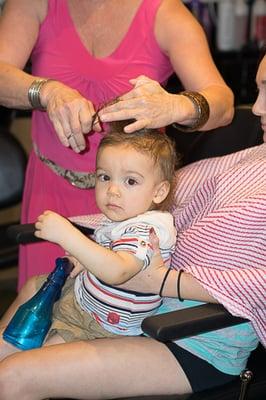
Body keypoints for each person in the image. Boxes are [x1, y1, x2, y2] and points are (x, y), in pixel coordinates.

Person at [0, 53, 265, 399]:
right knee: (36, 291)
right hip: (141, 302)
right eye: (258, 90)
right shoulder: (251, 159)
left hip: (194, 338)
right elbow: (158, 202)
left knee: (15, 377)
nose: (257, 109)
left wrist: (160, 280)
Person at [0, 0, 234, 289]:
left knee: (115, 316)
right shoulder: (34, 4)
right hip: (52, 192)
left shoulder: (165, 13)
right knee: (39, 309)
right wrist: (46, 91)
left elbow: (223, 103)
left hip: (132, 203)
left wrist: (175, 105)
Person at [32, 125, 178, 342]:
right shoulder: (124, 217)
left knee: (36, 364)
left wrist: (67, 235)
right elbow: (107, 251)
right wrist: (83, 259)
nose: (112, 190)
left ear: (159, 192)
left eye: (130, 181)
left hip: (102, 327)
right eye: (104, 177)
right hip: (84, 301)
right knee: (28, 301)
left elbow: (117, 271)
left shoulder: (148, 230)